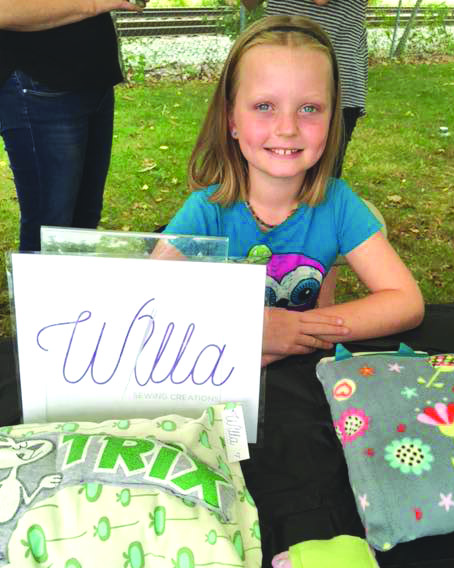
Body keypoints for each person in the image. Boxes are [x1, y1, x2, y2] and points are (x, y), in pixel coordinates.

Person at [153, 15, 424, 367]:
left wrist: (296, 329)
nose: (287, 128)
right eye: (264, 106)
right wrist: (252, 327)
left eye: (309, 108)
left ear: (332, 119)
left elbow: (406, 301)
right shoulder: (205, 211)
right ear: (232, 120)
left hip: (301, 384)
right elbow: (149, 303)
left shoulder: (338, 204)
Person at [0, 0, 145, 252]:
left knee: (84, 222)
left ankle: (71, 290)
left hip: (93, 78)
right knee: (50, 229)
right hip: (39, 82)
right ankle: (41, 292)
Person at [241, 0, 368, 178]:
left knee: (320, 181)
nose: (287, 129)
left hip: (333, 84)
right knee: (251, 178)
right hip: (270, 74)